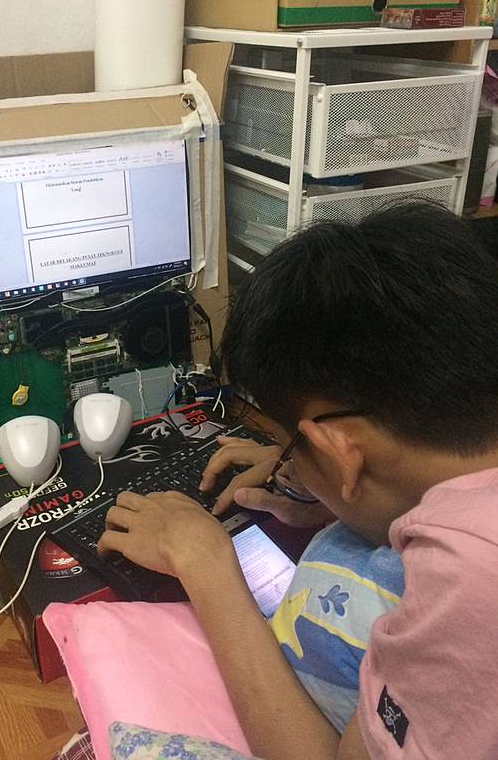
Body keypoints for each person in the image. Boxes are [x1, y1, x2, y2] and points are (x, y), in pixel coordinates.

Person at [97, 203, 498, 759]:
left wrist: (205, 564)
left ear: (341, 450)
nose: (285, 463)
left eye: (290, 446)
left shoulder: (473, 577)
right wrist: (346, 489)